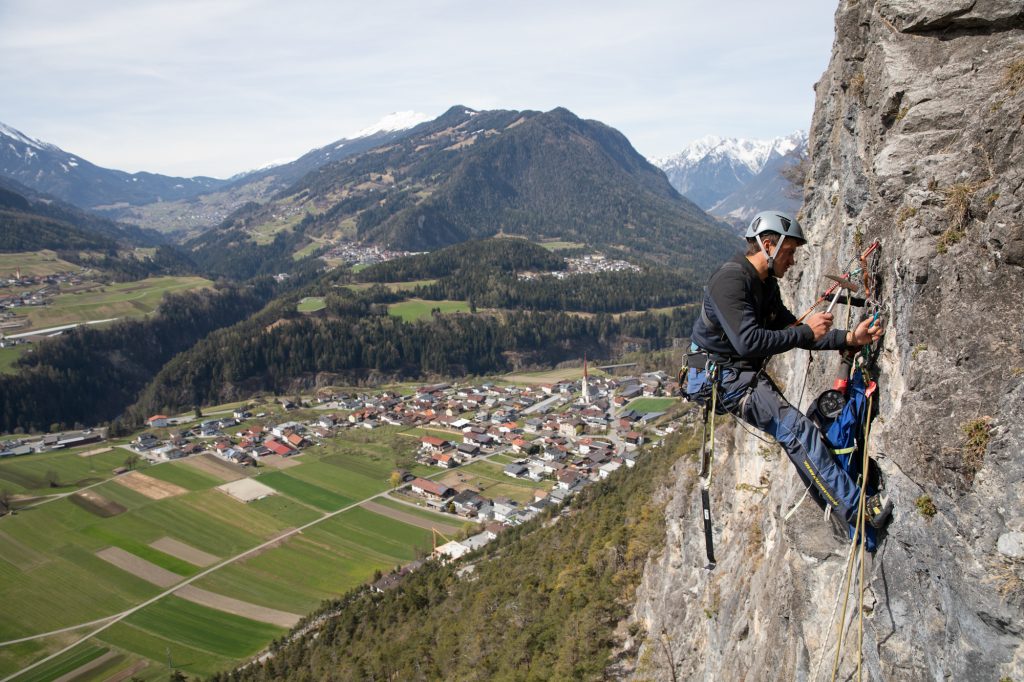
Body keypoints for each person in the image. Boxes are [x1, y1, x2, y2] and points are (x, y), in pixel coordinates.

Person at [685, 210, 892, 530]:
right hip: (722, 377)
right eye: (789, 251)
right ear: (768, 245)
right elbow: (750, 342)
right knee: (797, 430)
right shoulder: (730, 280)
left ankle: (839, 501)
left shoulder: (765, 286)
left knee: (796, 432)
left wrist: (850, 337)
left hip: (736, 372)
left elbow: (792, 329)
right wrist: (806, 332)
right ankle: (856, 510)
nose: (792, 261)